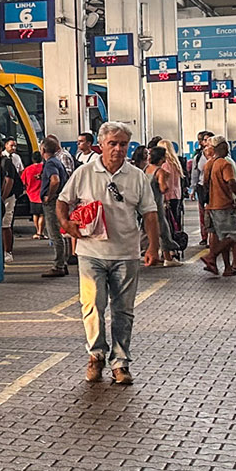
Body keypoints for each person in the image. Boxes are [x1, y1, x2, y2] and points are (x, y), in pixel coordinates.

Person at [58, 123, 161, 385]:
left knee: (123, 310)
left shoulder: (137, 176)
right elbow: (62, 200)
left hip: (126, 252)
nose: (118, 149)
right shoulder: (84, 172)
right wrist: (67, 224)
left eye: (123, 144)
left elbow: (149, 213)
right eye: (113, 143)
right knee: (92, 305)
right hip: (91, 251)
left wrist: (153, 247)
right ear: (101, 145)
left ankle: (121, 362)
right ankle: (96, 355)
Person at [200, 137, 236, 276]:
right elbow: (231, 182)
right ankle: (211, 256)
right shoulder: (225, 164)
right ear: (223, 148)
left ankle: (227, 267)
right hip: (224, 204)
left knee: (223, 236)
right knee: (235, 235)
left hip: (211, 205)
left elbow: (205, 184)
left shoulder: (209, 164)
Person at [39, 138, 72, 278]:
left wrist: (49, 195)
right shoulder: (57, 161)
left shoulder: (50, 163)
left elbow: (55, 180)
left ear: (43, 150)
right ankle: (63, 262)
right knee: (61, 233)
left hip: (53, 202)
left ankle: (58, 265)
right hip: (60, 199)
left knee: (54, 233)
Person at [147, 145, 180, 265]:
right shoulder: (160, 171)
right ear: (161, 158)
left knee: (147, 229)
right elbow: (163, 188)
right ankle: (168, 258)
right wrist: (167, 180)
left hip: (145, 203)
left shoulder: (146, 169)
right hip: (157, 203)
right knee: (163, 229)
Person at [0, 139, 23, 264]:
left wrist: (3, 197)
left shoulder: (6, 162)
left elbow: (9, 181)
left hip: (8, 197)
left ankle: (8, 252)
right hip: (2, 196)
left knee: (5, 224)